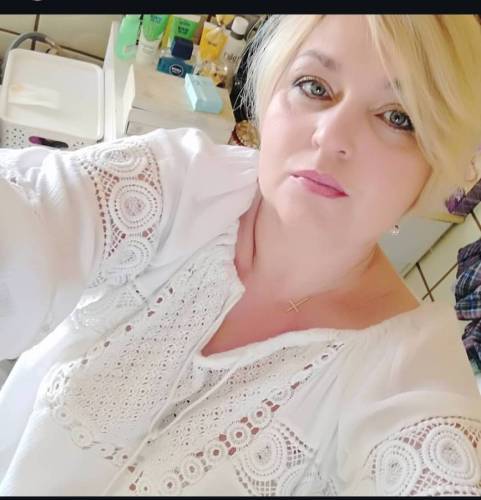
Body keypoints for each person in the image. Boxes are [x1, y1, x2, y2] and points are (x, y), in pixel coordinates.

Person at [0, 14, 481, 496]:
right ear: (270, 97)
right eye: (314, 87)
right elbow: (35, 216)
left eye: (398, 118)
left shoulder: (410, 376)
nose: (331, 136)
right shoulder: (180, 183)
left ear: (433, 166)